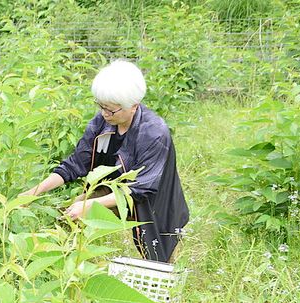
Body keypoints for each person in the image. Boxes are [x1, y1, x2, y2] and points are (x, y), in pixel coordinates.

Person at [22, 60, 189, 263]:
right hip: (113, 189)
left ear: (133, 106)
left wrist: (92, 204)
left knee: (158, 260)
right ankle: (62, 267)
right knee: (69, 215)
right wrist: (34, 191)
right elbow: (75, 164)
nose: (104, 114)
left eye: (111, 110)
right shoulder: (102, 123)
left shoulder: (154, 133)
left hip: (153, 202)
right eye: (101, 106)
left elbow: (140, 189)